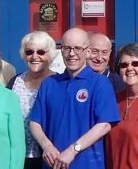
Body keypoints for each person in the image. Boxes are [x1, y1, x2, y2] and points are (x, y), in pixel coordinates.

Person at [28, 28, 119, 169]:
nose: (71, 54)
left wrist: (73, 150)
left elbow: (104, 125)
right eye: (67, 48)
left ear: (87, 51)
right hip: (52, 164)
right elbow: (35, 123)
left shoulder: (100, 83)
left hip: (87, 164)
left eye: (78, 48)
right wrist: (47, 146)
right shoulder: (49, 83)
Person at [9, 31, 57, 169]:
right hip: (18, 153)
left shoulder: (59, 83)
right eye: (29, 51)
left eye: (41, 52)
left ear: (51, 54)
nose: (35, 56)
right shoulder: (15, 81)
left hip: (49, 155)